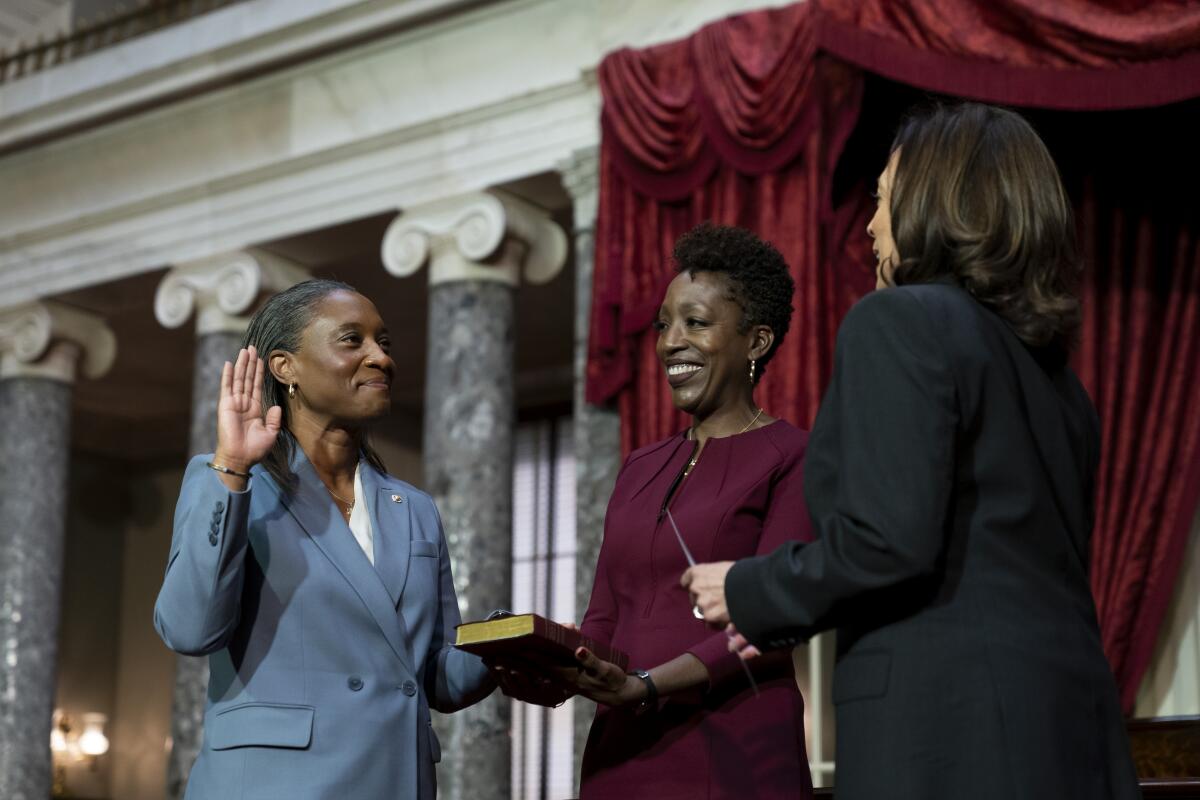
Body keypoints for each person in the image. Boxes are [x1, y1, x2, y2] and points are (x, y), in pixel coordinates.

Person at [684, 103, 1141, 800]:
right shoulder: (1060, 387)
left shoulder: (897, 320)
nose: (869, 226)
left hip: (949, 736)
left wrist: (747, 589)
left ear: (936, 201)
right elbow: (983, 557)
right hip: (1071, 727)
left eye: (883, 199)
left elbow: (887, 543)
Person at [498, 223, 814, 799]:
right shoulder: (640, 465)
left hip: (735, 746)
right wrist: (563, 667)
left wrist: (645, 686)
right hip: (624, 747)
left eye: (696, 323)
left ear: (758, 341)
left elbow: (773, 622)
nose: (670, 342)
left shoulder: (795, 456)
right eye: (664, 324)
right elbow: (604, 617)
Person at [154, 279, 494, 799]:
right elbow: (189, 630)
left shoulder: (416, 509)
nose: (380, 358)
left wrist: (510, 649)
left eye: (383, 343)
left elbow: (436, 677)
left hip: (396, 780)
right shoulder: (228, 479)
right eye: (352, 340)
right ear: (285, 367)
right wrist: (234, 470)